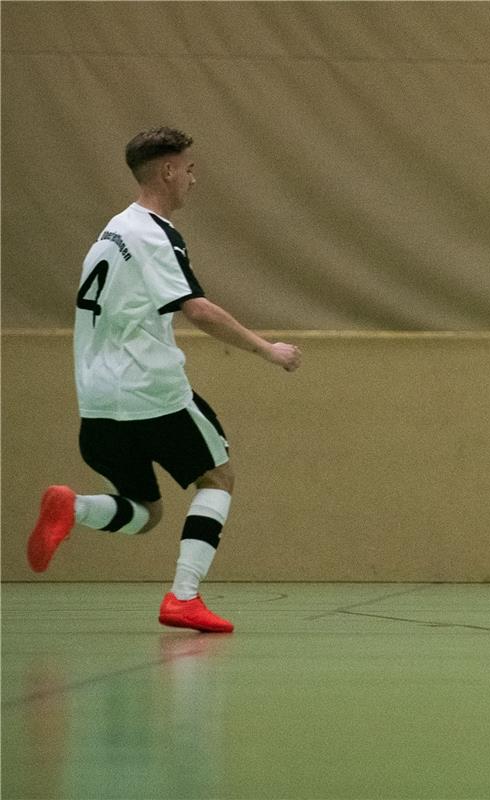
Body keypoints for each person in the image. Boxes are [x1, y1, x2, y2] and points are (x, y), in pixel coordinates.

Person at [28, 127, 302, 633]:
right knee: (217, 477)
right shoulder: (154, 234)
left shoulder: (112, 230)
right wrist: (268, 349)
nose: (194, 178)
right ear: (169, 170)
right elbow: (197, 309)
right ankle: (183, 597)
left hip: (96, 398)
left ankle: (74, 506)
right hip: (150, 391)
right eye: (190, 168)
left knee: (144, 511)